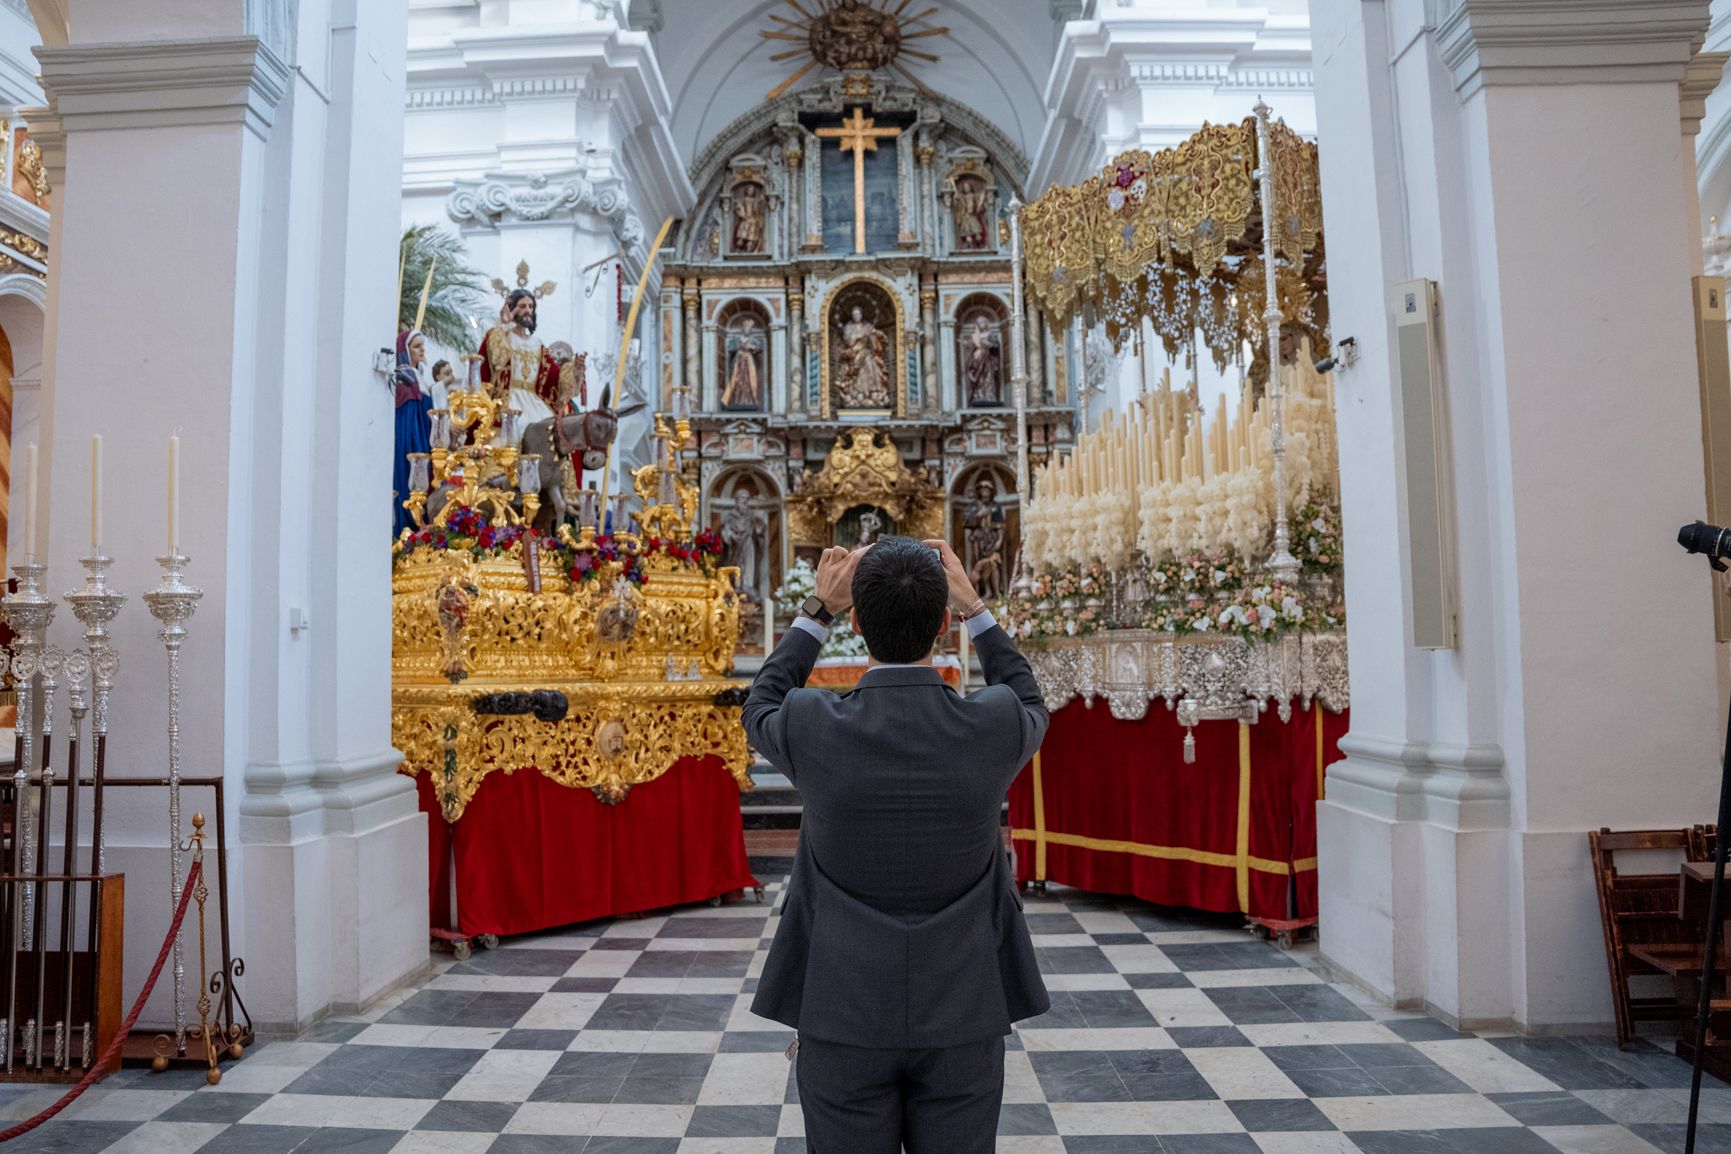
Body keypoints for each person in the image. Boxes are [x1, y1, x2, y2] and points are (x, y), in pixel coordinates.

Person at [743, 536, 1050, 1154]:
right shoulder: (990, 724)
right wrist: (977, 610)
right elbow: (1031, 698)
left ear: (856, 623)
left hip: (840, 1004)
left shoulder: (811, 724)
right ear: (942, 623)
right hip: (964, 1006)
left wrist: (815, 612)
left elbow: (760, 703)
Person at [392, 329, 433, 538]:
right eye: (417, 346)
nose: (422, 350)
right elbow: (409, 416)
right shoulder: (405, 377)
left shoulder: (418, 376)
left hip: (423, 437)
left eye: (422, 345)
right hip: (412, 439)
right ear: (405, 351)